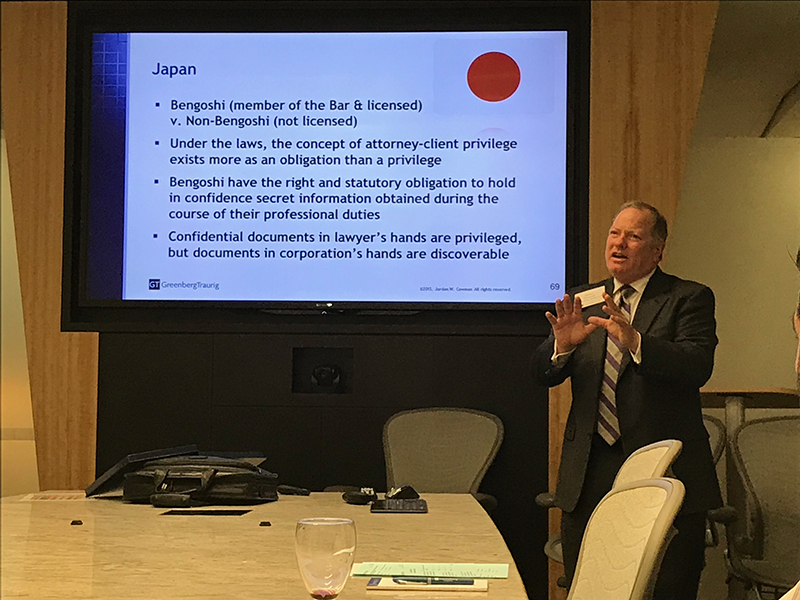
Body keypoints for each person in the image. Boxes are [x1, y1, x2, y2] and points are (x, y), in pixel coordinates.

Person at [532, 201, 722, 600]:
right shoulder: (584, 299)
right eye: (614, 234)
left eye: (633, 236)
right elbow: (541, 374)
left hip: (665, 470)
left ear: (657, 250)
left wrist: (636, 341)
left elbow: (697, 366)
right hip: (589, 472)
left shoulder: (687, 297)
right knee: (590, 587)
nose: (619, 243)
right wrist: (562, 348)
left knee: (668, 587)